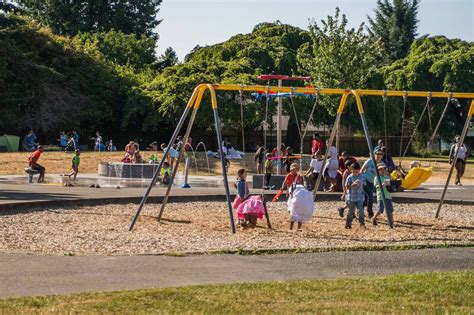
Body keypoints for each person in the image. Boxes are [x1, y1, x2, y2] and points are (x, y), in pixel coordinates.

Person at [361, 148, 384, 218]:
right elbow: (361, 171)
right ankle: (370, 213)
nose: (379, 155)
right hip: (365, 180)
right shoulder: (370, 161)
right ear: (374, 154)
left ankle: (359, 209)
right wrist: (360, 181)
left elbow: (385, 173)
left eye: (381, 154)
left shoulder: (382, 164)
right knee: (370, 197)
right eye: (378, 154)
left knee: (366, 199)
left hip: (373, 182)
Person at [372, 163, 394, 227]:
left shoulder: (387, 177)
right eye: (380, 169)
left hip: (388, 195)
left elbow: (391, 183)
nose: (383, 170)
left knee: (390, 210)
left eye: (384, 169)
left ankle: (392, 223)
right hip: (381, 196)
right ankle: (374, 218)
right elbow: (376, 186)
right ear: (377, 171)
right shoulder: (377, 178)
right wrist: (382, 185)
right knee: (380, 210)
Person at [345, 162, 366, 229]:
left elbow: (364, 184)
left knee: (361, 211)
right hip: (351, 197)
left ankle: (362, 223)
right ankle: (348, 224)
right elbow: (347, 186)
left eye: (356, 171)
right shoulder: (350, 177)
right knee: (351, 211)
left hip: (359, 197)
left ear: (359, 170)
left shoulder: (362, 176)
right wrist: (352, 185)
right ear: (351, 170)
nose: (355, 173)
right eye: (353, 171)